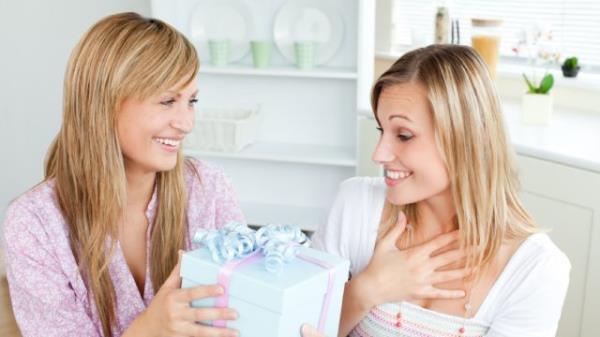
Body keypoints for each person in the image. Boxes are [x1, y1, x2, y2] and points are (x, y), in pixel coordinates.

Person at [3, 12, 243, 337]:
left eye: (192, 101)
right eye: (168, 101)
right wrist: (147, 331)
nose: (186, 123)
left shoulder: (208, 187)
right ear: (105, 102)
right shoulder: (34, 225)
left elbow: (244, 314)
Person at [311, 45, 571, 337]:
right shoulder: (355, 206)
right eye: (381, 130)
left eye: (404, 135)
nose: (379, 154)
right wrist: (367, 289)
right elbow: (292, 326)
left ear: (465, 140)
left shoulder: (535, 269)